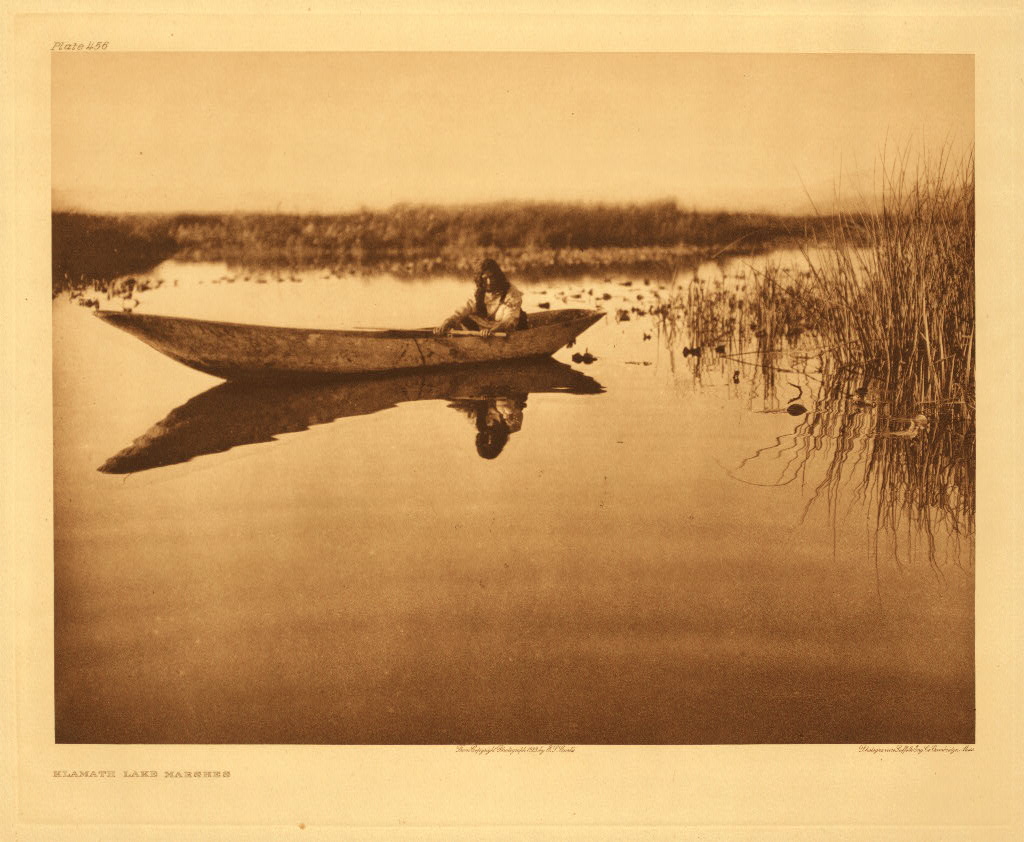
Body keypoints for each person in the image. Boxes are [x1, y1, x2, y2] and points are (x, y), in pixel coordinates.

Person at [434, 258, 528, 336]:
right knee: (462, 319)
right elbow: (462, 310)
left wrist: (492, 331)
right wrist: (447, 322)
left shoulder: (510, 293)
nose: (489, 282)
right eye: (485, 278)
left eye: (492, 277)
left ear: (498, 276)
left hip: (505, 329)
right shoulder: (478, 292)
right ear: (480, 279)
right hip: (485, 329)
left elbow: (509, 320)